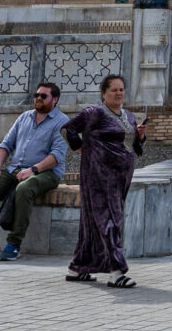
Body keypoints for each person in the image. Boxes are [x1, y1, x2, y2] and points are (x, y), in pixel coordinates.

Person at [0, 83, 66, 260]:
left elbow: (57, 155)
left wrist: (33, 170)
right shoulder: (24, 117)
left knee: (25, 188)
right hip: (16, 169)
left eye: (43, 96)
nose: (38, 99)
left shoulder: (62, 122)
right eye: (37, 95)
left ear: (55, 99)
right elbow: (5, 145)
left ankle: (14, 244)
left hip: (46, 172)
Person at [61, 75, 146, 288]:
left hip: (120, 178)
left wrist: (140, 136)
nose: (118, 94)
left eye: (121, 90)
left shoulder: (128, 116)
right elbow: (68, 128)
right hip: (99, 177)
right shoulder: (95, 113)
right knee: (110, 221)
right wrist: (81, 148)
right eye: (114, 90)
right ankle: (116, 272)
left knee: (93, 221)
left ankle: (77, 267)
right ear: (103, 93)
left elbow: (133, 146)